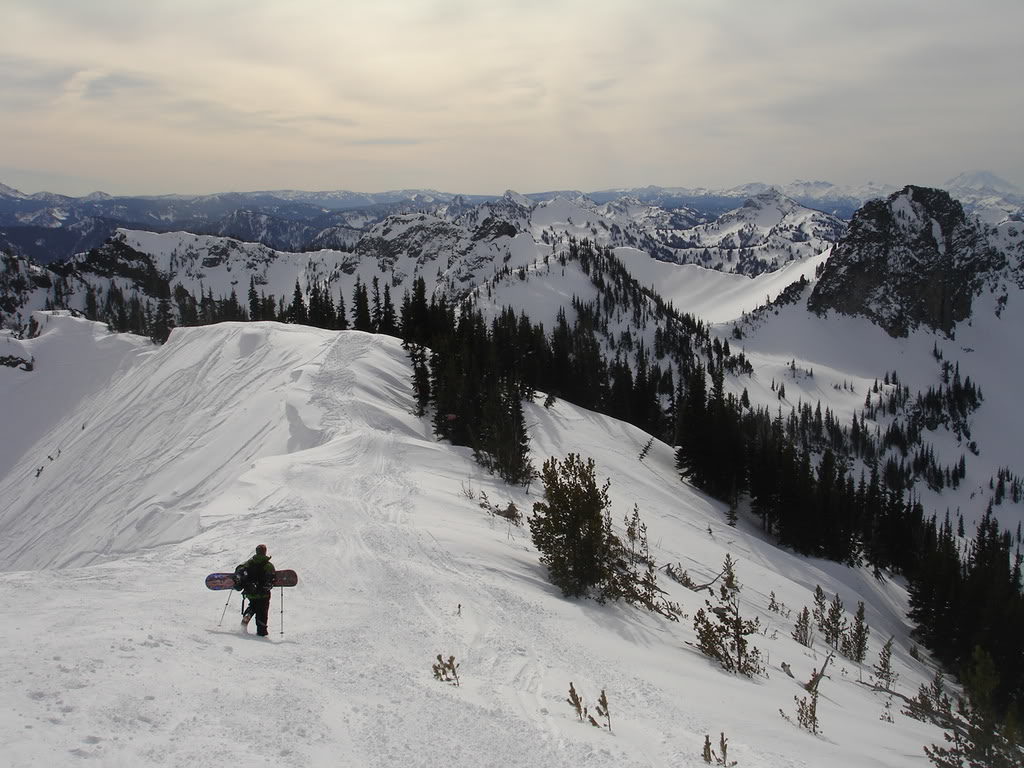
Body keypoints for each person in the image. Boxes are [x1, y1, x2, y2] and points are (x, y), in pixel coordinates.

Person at [234, 544, 276, 636]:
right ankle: (262, 631)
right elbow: (272, 580)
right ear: (265, 552)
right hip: (263, 595)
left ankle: (247, 615)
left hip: (250, 592)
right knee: (262, 612)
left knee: (253, 605)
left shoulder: (249, 563)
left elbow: (240, 569)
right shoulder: (268, 565)